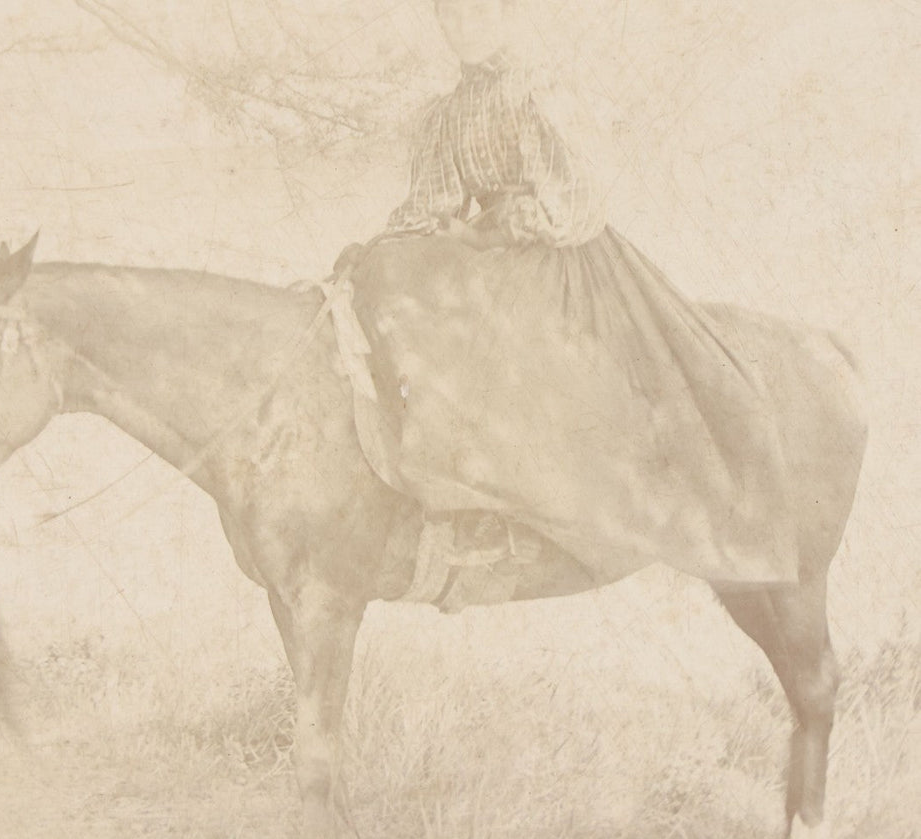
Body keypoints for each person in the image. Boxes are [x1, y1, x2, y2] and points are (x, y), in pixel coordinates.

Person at [336, 0, 798, 583]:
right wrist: (388, 248)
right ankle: (449, 496)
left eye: (475, 14)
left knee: (508, 343)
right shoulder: (447, 114)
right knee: (406, 288)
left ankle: (537, 509)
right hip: (490, 260)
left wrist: (489, 232)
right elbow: (430, 207)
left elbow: (574, 203)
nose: (461, 28)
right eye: (447, 16)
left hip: (563, 260)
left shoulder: (538, 90)